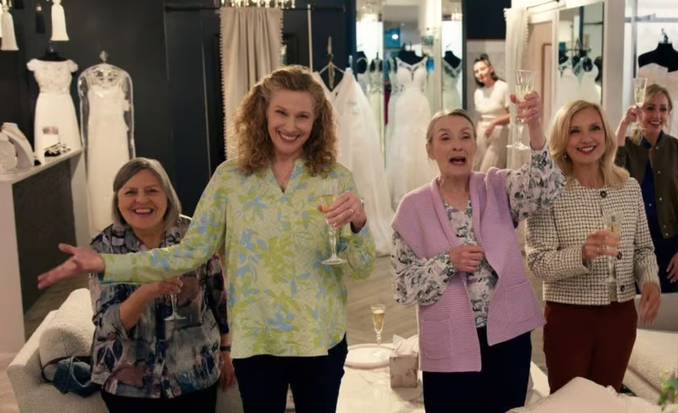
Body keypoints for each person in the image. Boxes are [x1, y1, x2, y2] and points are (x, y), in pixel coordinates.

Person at [38, 65, 376, 413]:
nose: (291, 126)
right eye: (281, 112)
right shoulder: (230, 178)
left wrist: (360, 221)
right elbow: (188, 254)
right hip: (257, 343)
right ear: (262, 112)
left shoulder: (336, 178)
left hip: (320, 340)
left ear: (317, 122)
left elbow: (364, 268)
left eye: (303, 116)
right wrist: (108, 261)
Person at [392, 92, 566, 413]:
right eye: (445, 138)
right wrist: (449, 262)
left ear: (476, 146)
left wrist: (536, 128)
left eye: (466, 137)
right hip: (448, 342)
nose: (457, 145)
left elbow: (548, 187)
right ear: (430, 149)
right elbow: (404, 287)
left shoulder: (496, 186)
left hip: (507, 339)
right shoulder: (412, 208)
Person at [525, 100, 661, 393]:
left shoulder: (629, 187)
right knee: (569, 405)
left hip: (621, 318)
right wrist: (583, 253)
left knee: (609, 402)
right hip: (569, 319)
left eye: (594, 128)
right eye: (575, 131)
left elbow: (644, 249)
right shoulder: (549, 193)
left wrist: (650, 280)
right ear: (562, 140)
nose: (586, 138)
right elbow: (538, 263)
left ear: (607, 135)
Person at [88, 157, 233, 412]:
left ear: (167, 196)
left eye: (152, 191)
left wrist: (227, 349)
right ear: (118, 200)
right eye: (130, 192)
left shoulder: (195, 236)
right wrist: (148, 290)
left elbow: (219, 297)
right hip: (128, 386)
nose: (141, 200)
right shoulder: (103, 248)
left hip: (194, 374)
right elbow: (109, 326)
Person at [614, 83, 678, 293]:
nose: (657, 115)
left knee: (666, 312)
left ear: (669, 113)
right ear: (639, 111)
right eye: (650, 107)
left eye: (663, 109)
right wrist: (623, 123)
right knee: (635, 313)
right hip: (633, 247)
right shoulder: (626, 148)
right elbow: (613, 175)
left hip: (670, 248)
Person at [472, 54, 510, 171]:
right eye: (476, 71)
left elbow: (513, 115)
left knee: (487, 172)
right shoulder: (478, 92)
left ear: (491, 69)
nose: (480, 73)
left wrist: (494, 122)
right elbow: (481, 117)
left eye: (482, 69)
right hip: (482, 133)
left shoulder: (503, 87)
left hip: (500, 133)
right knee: (476, 169)